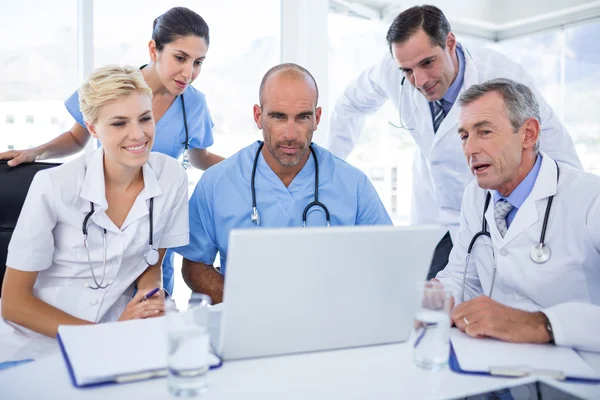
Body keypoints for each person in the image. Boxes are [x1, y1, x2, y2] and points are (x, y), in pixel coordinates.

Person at [326, 5, 581, 280]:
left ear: (450, 43)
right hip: (433, 216)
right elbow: (349, 105)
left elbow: (558, 154)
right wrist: (329, 174)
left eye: (427, 63)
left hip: (493, 215)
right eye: (407, 71)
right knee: (426, 301)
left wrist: (566, 229)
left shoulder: (501, 76)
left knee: (492, 299)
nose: (420, 81)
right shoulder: (393, 70)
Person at [0, 7, 223, 295]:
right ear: (154, 49)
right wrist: (36, 152)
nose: (188, 73)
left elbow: (199, 158)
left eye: (198, 62)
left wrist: (252, 165)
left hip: (153, 228)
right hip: (105, 216)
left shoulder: (194, 104)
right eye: (180, 58)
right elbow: (76, 138)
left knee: (149, 303)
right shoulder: (112, 88)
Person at [0, 65, 189, 363]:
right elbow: (13, 303)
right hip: (38, 339)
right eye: (118, 123)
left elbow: (152, 265)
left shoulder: (172, 177)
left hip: (118, 328)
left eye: (144, 118)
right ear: (91, 128)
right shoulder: (54, 185)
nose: (137, 134)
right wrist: (103, 338)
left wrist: (151, 302)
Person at [173, 63, 393, 304]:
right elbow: (194, 265)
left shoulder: (353, 185)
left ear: (317, 118)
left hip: (329, 323)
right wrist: (244, 304)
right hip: (247, 325)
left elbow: (386, 262)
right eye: (278, 117)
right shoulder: (217, 182)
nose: (290, 133)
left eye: (302, 118)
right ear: (258, 116)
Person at [435, 78, 600, 352]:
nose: (470, 149)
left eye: (484, 132)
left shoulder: (590, 199)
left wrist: (542, 324)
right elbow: (462, 278)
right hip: (494, 361)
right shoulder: (475, 197)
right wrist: (435, 297)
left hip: (578, 371)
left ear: (529, 134)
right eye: (464, 136)